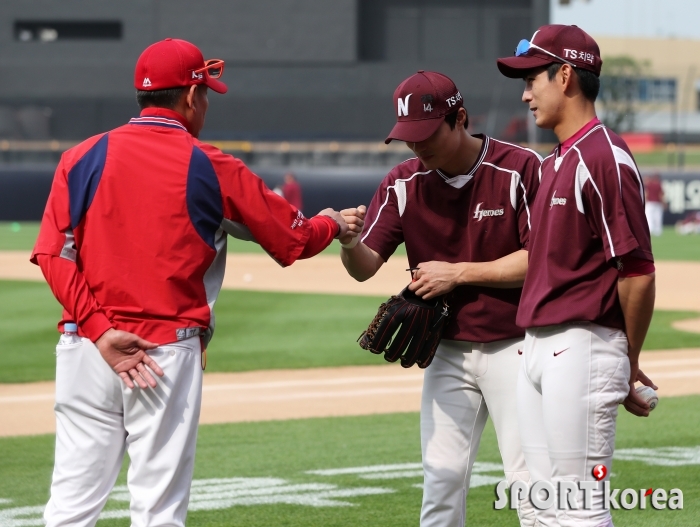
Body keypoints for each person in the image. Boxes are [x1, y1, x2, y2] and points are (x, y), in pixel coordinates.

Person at [31, 38, 351, 527]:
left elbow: (52, 254)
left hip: (86, 349)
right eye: (205, 94)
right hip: (161, 354)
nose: (206, 105)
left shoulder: (81, 157)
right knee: (158, 510)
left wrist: (98, 330)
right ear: (189, 96)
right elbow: (294, 241)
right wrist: (331, 223)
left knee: (70, 507)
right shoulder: (211, 164)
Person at [338, 71, 542, 526]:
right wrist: (349, 243)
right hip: (447, 351)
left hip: (519, 346)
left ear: (460, 119)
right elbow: (365, 265)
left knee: (530, 484)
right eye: (407, 137)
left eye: (426, 134)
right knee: (441, 481)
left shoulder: (520, 167)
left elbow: (544, 258)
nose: (416, 146)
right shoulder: (403, 181)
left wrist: (459, 273)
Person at [497, 24, 657, 526]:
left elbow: (637, 273)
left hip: (583, 347)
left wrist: (624, 362)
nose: (525, 95)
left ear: (565, 75)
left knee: (579, 510)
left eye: (532, 80)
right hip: (539, 347)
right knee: (537, 509)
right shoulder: (556, 160)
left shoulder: (603, 157)